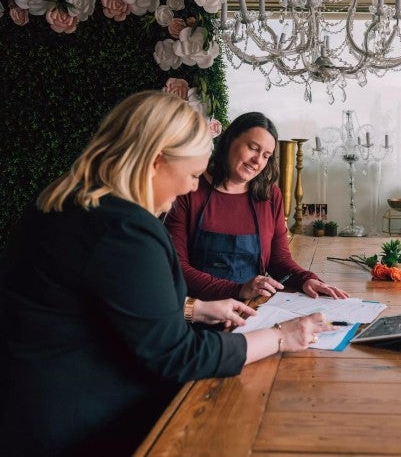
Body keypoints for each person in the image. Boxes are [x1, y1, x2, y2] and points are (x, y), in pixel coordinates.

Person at [0, 91, 332, 456]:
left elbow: (101, 305)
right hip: (76, 424)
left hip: (30, 405)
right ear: (156, 161)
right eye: (191, 174)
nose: (192, 186)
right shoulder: (126, 230)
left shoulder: (68, 201)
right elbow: (178, 357)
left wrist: (197, 310)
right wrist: (280, 336)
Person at [164, 111, 348, 301]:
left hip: (250, 308)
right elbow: (177, 267)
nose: (258, 161)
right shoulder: (189, 190)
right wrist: (237, 290)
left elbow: (278, 260)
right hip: (197, 309)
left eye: (266, 155)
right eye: (253, 148)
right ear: (229, 140)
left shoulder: (270, 196)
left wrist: (305, 279)